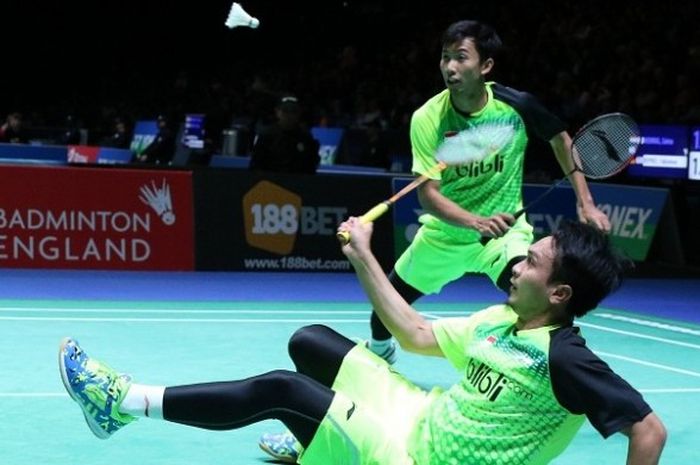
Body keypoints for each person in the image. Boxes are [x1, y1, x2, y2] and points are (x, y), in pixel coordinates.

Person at [58, 219, 666, 465]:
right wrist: (361, 254)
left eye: (531, 264)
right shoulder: (498, 319)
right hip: (419, 418)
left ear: (558, 294)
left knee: (282, 389)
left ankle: (121, 403)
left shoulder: (564, 356)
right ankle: (320, 444)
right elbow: (416, 333)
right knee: (311, 342)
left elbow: (649, 431)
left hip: (419, 461)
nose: (517, 267)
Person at [360, 19, 611, 366]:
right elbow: (427, 195)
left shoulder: (516, 106)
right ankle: (379, 354)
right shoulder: (428, 118)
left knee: (534, 296)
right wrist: (476, 221)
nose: (450, 66)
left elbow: (560, 138)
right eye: (445, 57)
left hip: (502, 236)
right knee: (383, 311)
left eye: (461, 57)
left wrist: (586, 203)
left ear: (486, 66)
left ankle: (562, 368)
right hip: (445, 237)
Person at [249, 95, 320, 174]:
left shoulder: (306, 138)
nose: (289, 115)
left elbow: (311, 167)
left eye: (293, 111)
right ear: (277, 112)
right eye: (285, 111)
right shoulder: (266, 136)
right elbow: (256, 165)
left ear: (299, 114)